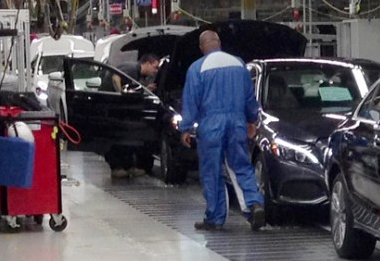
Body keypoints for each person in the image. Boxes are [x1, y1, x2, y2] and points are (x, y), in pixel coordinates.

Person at [178, 30, 265, 231]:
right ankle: (254, 203)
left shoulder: (196, 69)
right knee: (242, 165)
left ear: (202, 48)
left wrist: (186, 128)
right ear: (219, 43)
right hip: (236, 122)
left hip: (211, 125)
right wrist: (251, 120)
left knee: (211, 171)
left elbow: (191, 101)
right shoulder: (238, 64)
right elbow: (249, 97)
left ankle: (215, 218)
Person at [106, 53, 162, 178]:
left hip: (120, 108)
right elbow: (116, 78)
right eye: (155, 67)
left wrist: (144, 88)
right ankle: (117, 167)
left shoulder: (139, 74)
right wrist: (121, 95)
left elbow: (132, 88)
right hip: (112, 107)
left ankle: (128, 166)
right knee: (119, 138)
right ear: (146, 63)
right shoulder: (131, 69)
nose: (156, 71)